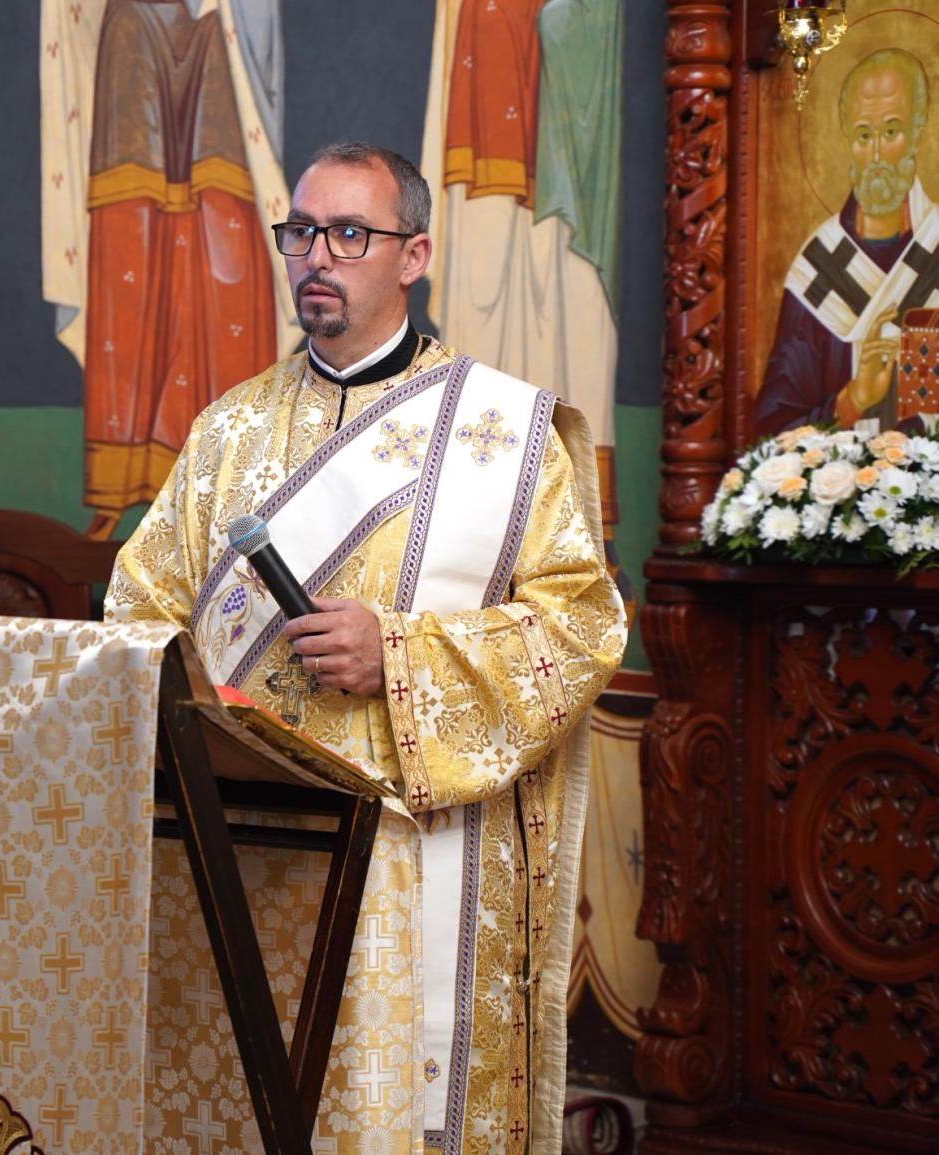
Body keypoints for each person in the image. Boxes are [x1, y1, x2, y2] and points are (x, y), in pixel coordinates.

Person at [106, 142, 625, 1153]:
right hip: (241, 851)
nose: (316, 256)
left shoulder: (505, 434)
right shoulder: (226, 433)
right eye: (301, 231)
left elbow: (579, 627)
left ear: (413, 254)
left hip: (417, 856)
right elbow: (139, 617)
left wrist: (402, 655)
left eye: (350, 234)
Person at [755, 48, 939, 436]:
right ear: (846, 141)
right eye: (863, 135)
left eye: (891, 132)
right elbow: (773, 433)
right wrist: (854, 398)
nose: (876, 155)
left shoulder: (935, 244)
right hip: (840, 473)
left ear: (918, 133)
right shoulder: (818, 271)